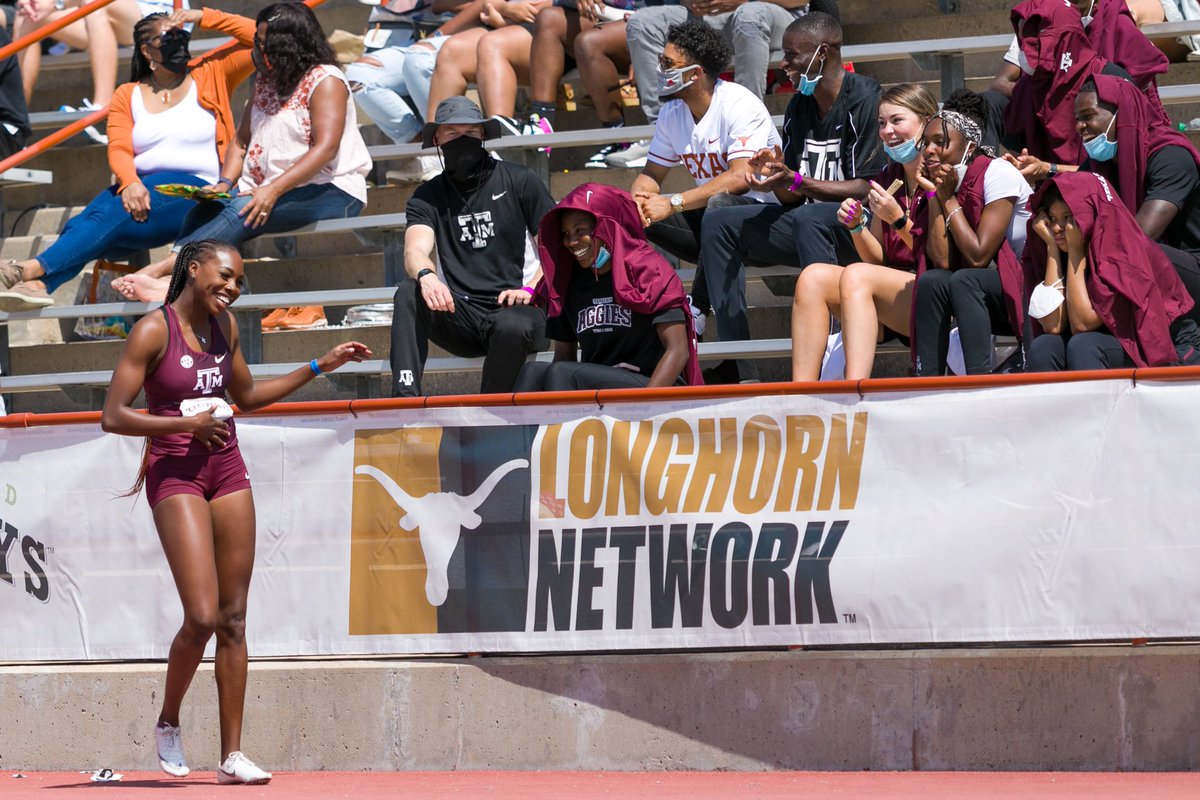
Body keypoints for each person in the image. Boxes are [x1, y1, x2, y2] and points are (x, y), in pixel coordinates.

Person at [99, 239, 371, 784]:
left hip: (226, 467)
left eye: (240, 281)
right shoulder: (154, 330)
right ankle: (169, 721)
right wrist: (185, 425)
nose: (232, 287)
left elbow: (246, 395)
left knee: (234, 617)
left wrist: (321, 363)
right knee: (200, 616)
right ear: (192, 269)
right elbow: (113, 416)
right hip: (175, 473)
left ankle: (232, 756)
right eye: (224, 276)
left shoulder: (227, 329)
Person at [112, 2, 372, 306]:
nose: (257, 48)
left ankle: (165, 274)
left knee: (243, 209)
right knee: (204, 209)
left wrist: (272, 190)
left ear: (286, 45)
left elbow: (325, 149)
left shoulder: (325, 79)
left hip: (333, 189)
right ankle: (180, 280)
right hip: (268, 190)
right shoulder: (266, 79)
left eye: (263, 43)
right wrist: (223, 184)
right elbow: (240, 141)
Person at [0, 6, 254, 312]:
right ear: (148, 52)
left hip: (201, 193)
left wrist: (201, 17)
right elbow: (118, 148)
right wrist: (131, 182)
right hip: (143, 193)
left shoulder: (210, 72)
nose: (177, 41)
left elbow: (261, 38)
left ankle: (28, 270)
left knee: (108, 215)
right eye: (167, 36)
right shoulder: (128, 93)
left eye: (179, 34)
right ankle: (40, 286)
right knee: (88, 222)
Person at [698, 12, 883, 381]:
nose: (783, 64)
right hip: (806, 226)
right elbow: (792, 197)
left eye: (792, 55)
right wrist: (774, 177)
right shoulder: (800, 105)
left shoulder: (865, 97)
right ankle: (739, 365)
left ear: (823, 53)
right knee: (719, 219)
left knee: (810, 217)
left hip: (859, 231)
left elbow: (867, 187)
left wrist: (796, 182)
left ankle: (831, 345)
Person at [390, 97, 554, 397]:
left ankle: (489, 413)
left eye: (471, 133)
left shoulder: (521, 180)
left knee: (512, 324)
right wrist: (426, 276)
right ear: (437, 139)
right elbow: (415, 250)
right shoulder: (427, 196)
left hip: (521, 307)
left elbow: (555, 249)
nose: (462, 141)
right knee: (408, 293)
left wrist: (530, 288)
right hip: (461, 314)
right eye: (453, 134)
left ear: (483, 136)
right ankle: (403, 398)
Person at [630, 17, 781, 318]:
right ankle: (638, 302)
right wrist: (638, 199)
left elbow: (740, 179)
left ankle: (697, 309)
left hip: (765, 221)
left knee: (720, 203)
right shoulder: (672, 113)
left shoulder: (739, 103)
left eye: (668, 63)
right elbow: (651, 174)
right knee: (632, 212)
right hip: (714, 222)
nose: (660, 69)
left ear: (695, 73)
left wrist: (673, 203)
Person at [790, 84, 936, 381]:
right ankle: (801, 391)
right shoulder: (888, 176)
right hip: (894, 290)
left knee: (856, 274)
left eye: (897, 120)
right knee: (813, 277)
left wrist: (897, 219)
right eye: (881, 123)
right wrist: (857, 227)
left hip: (934, 291)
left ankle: (854, 388)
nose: (887, 131)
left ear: (926, 121)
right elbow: (879, 260)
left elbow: (936, 256)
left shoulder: (940, 174)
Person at [515, 182, 701, 391]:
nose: (571, 241)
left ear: (606, 227)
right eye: (565, 233)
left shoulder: (649, 269)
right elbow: (563, 357)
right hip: (594, 383)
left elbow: (678, 351)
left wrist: (645, 407)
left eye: (580, 230)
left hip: (649, 383)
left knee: (562, 373)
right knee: (531, 371)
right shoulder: (566, 281)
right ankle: (512, 424)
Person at [614, 0, 840, 169]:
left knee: (749, 14)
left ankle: (746, 131)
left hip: (776, 14)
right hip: (713, 16)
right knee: (642, 23)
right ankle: (660, 133)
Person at [1024, 173, 1200, 370]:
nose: (1057, 228)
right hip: (1112, 340)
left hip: (1171, 350)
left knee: (1084, 346)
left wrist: (1075, 250)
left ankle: (1096, 403)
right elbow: (1053, 325)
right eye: (1052, 219)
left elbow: (1082, 324)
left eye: (1067, 218)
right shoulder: (1066, 242)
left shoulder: (1122, 251)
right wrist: (1052, 249)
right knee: (1044, 346)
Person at [912, 90, 1031, 377]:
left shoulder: (997, 172)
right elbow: (942, 262)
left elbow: (978, 256)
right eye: (925, 142)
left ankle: (978, 379)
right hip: (988, 287)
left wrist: (948, 199)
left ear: (970, 145)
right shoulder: (944, 182)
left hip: (1029, 284)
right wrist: (934, 195)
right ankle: (925, 381)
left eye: (940, 142)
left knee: (966, 279)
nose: (929, 150)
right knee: (932, 281)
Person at [1072, 74, 1200, 317]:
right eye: (1077, 120)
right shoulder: (1099, 164)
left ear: (1123, 114)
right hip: (1138, 270)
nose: (1079, 127)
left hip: (1190, 267)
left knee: (1140, 251)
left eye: (1088, 117)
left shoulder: (1171, 156)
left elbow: (1140, 235)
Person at [1001, 0, 1162, 171]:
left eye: (1087, 116)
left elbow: (1120, 166)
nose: (1079, 126)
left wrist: (1048, 169)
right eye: (1022, 43)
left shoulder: (1111, 81)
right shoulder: (1028, 89)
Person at [14, 0, 180, 118]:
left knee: (94, 4)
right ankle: (15, 121)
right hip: (100, 16)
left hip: (160, 16)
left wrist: (57, 2)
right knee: (27, 15)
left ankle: (102, 105)